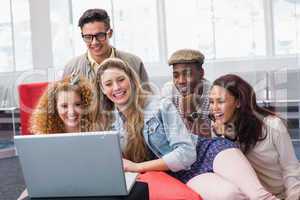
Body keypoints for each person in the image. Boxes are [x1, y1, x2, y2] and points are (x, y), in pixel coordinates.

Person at [95, 58, 279, 200]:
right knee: (229, 196)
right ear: (102, 89)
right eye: (109, 84)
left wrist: (138, 167)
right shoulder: (108, 123)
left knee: (259, 195)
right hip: (183, 173)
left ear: (132, 81)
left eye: (121, 80)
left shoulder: (160, 105)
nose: (117, 87)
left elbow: (186, 153)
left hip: (207, 151)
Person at [209, 74, 300, 200]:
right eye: (211, 102)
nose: (214, 108)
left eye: (221, 101)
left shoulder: (272, 126)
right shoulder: (219, 130)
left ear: (238, 102)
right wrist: (223, 137)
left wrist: (293, 197)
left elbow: (291, 169)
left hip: (282, 195)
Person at [63, 8, 151, 92]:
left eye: (100, 35)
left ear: (110, 33)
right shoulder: (71, 68)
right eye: (88, 37)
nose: (94, 42)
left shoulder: (134, 63)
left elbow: (149, 101)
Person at [162, 49, 210, 137]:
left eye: (187, 74)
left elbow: (210, 139)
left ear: (201, 73)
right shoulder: (169, 91)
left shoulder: (211, 94)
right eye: (176, 76)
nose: (181, 81)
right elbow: (167, 134)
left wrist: (192, 112)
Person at [30, 76, 97, 134]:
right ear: (54, 107)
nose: (71, 112)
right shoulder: (45, 135)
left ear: (86, 105)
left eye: (77, 104)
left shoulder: (97, 131)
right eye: (64, 106)